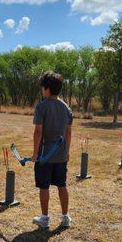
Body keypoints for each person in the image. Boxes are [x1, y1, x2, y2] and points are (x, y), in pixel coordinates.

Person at [32, 71, 73, 229]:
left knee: (44, 187)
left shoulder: (42, 107)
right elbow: (68, 132)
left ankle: (44, 218)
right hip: (61, 156)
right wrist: (67, 151)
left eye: (43, 88)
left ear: (47, 89)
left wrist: (35, 153)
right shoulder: (67, 108)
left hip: (44, 156)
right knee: (62, 185)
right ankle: (65, 217)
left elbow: (38, 132)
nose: (42, 90)